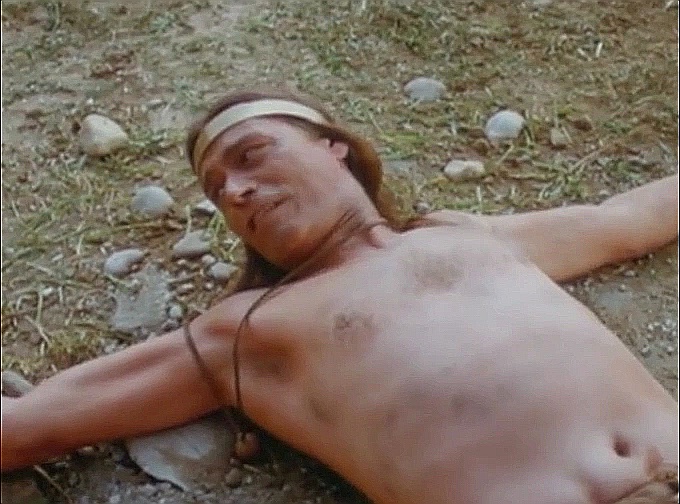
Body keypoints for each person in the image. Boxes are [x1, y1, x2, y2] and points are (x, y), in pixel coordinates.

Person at [2, 88, 678, 504]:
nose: (233, 192)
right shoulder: (248, 330)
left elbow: (626, 220)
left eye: (251, 155)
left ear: (334, 148)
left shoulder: (465, 233)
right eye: (216, 190)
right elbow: (30, 427)